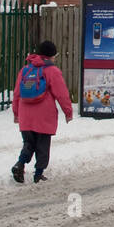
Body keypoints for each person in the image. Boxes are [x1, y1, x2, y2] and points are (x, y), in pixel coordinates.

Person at [11, 40, 73, 184]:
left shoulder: (25, 70)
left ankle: (20, 164)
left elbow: (17, 93)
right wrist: (68, 112)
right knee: (42, 147)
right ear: (51, 56)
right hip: (44, 116)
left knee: (28, 143)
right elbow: (61, 94)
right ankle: (38, 175)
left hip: (26, 114)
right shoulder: (52, 71)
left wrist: (16, 113)